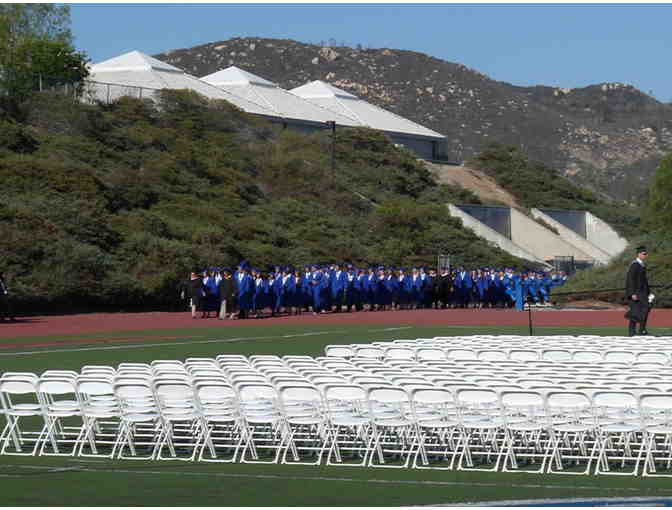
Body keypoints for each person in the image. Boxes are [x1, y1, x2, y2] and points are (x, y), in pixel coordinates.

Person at [625, 245, 651, 336]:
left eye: (646, 254)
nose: (645, 255)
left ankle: (641, 329)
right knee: (635, 312)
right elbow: (630, 280)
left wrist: (649, 292)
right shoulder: (635, 265)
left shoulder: (641, 265)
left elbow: (644, 281)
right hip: (637, 293)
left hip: (643, 293)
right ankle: (633, 331)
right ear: (639, 254)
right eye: (644, 254)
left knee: (642, 310)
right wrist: (632, 293)